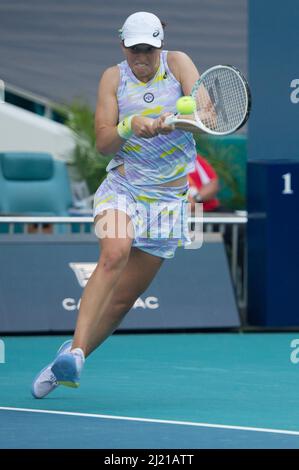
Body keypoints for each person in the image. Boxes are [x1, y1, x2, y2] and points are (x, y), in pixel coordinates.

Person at [31, 11, 203, 398]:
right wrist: (130, 125)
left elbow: (205, 116)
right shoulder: (113, 77)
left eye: (148, 49)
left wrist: (172, 119)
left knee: (124, 299)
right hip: (124, 186)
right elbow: (104, 141)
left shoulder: (179, 64)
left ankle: (68, 362)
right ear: (122, 44)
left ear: (160, 45)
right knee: (114, 252)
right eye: (134, 48)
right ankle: (75, 349)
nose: (141, 56)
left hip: (167, 202)